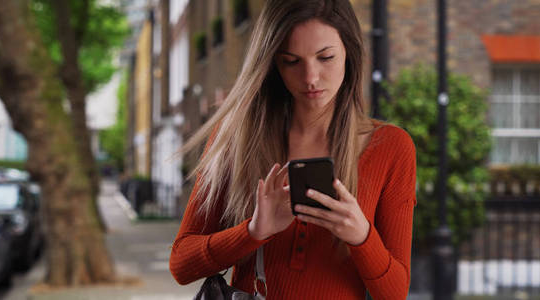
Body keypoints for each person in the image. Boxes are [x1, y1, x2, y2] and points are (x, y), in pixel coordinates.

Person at [170, 0, 416, 299]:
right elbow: (181, 264)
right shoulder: (237, 139)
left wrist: (361, 236)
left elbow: (395, 293)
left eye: (325, 57)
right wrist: (253, 231)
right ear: (273, 62)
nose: (310, 77)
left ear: (349, 53)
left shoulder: (391, 147)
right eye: (291, 61)